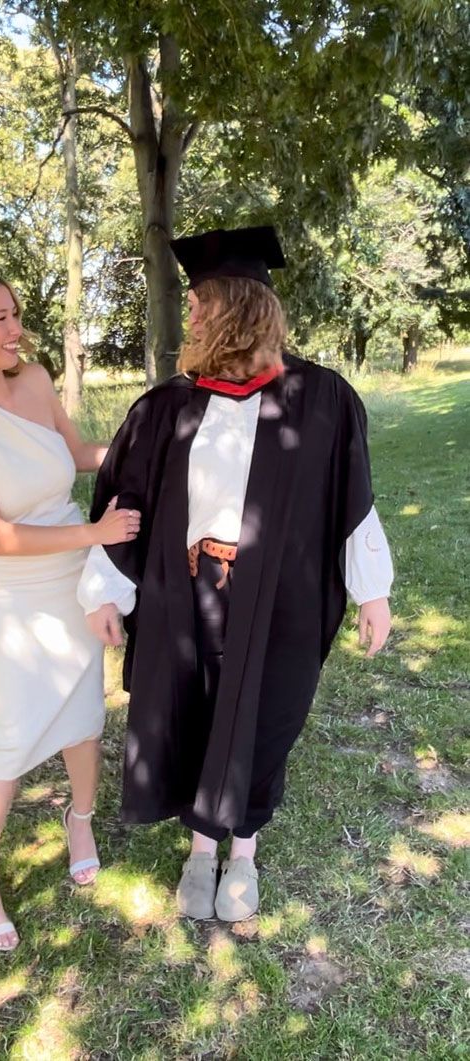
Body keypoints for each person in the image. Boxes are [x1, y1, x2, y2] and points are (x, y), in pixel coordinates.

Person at [78, 226, 393, 922]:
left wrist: (372, 592)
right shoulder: (165, 406)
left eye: (199, 302)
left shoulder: (320, 400)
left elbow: (353, 498)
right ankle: (198, 851)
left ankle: (242, 852)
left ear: (236, 306)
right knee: (188, 711)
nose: (189, 315)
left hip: (278, 596)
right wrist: (105, 589)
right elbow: (125, 501)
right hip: (185, 594)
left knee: (262, 716)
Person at [0, 266, 140, 951]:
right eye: (2, 319)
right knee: (11, 736)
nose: (18, 330)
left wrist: (154, 452)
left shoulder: (37, 382)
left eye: (16, 314)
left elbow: (78, 456)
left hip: (75, 578)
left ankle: (81, 817)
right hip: (12, 595)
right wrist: (97, 533)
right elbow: (0, 537)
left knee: (82, 717)